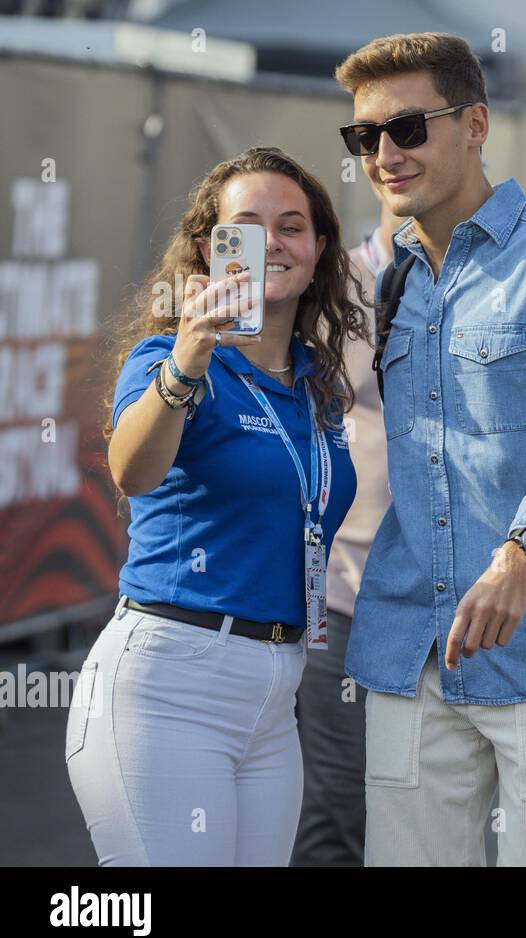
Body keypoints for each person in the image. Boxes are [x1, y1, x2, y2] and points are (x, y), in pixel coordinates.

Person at [335, 32, 526, 866]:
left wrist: (519, 554)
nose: (386, 154)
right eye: (365, 138)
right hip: (406, 645)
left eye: (408, 128)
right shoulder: (387, 274)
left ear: (476, 125)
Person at [67, 146, 364, 866]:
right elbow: (132, 471)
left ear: (320, 248)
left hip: (275, 696)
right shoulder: (167, 358)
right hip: (170, 685)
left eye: (292, 226)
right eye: (247, 227)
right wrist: (186, 363)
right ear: (209, 249)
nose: (272, 243)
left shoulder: (317, 387)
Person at [291, 187, 403, 866]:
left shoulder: (490, 289)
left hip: (454, 610)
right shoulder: (330, 288)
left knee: (427, 815)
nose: (393, 155)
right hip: (341, 597)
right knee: (337, 810)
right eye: (373, 140)